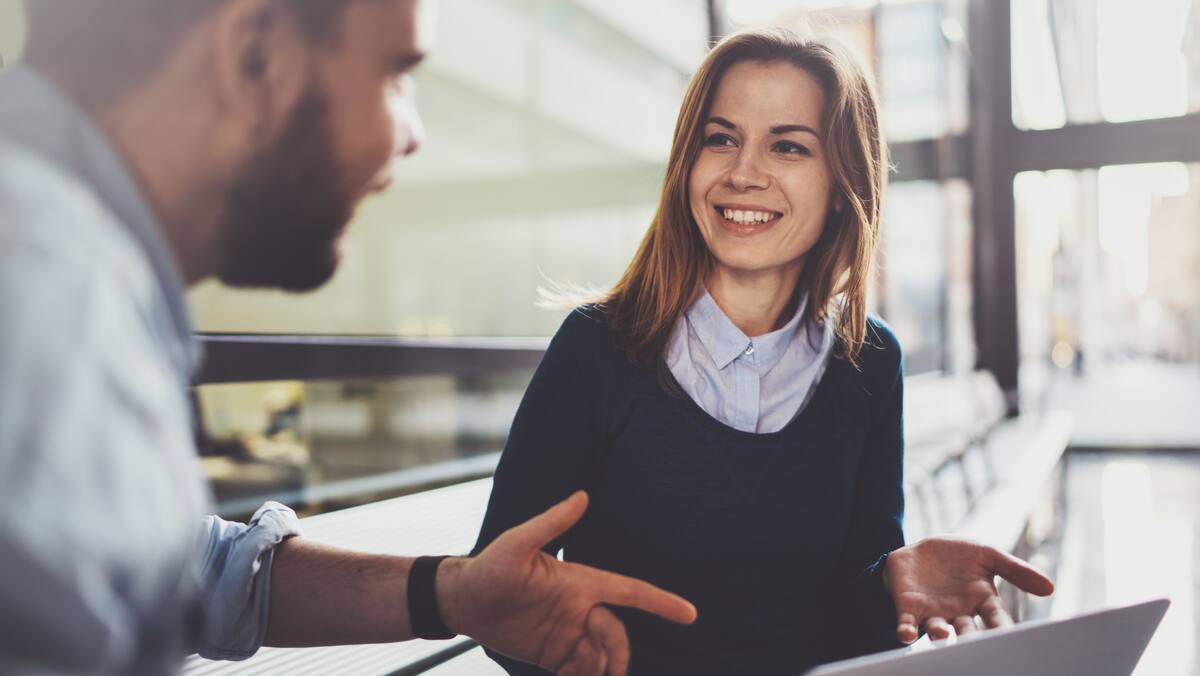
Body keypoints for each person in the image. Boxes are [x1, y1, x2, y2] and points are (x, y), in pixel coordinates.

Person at [0, 2, 698, 675]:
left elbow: (182, 569)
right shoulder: (51, 308)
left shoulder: (70, 267)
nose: (413, 134)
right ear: (255, 55)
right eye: (397, 73)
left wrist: (452, 594)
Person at [472, 27, 1055, 675]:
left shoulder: (870, 360)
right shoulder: (598, 347)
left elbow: (849, 621)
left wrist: (894, 588)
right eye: (720, 139)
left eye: (788, 146)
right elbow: (500, 600)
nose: (744, 173)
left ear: (841, 184)